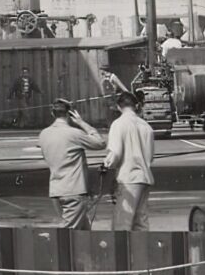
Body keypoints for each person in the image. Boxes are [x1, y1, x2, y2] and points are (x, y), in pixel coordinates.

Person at [36, 100, 106, 229]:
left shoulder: (43, 134)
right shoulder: (74, 133)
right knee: (69, 234)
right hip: (74, 190)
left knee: (83, 230)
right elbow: (100, 143)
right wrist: (81, 122)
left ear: (53, 113)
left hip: (56, 189)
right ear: (69, 114)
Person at [103, 91, 157, 230]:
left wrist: (107, 165)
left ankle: (122, 252)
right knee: (141, 222)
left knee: (122, 223)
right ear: (136, 106)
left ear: (119, 107)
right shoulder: (146, 127)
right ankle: (143, 250)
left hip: (128, 178)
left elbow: (115, 154)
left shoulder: (118, 124)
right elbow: (150, 156)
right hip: (144, 177)